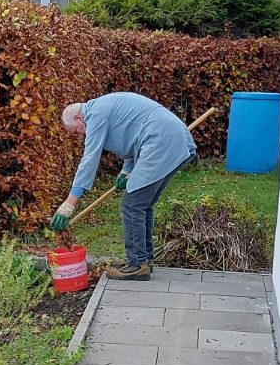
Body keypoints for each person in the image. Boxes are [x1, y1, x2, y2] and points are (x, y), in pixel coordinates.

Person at [51, 93, 196, 281]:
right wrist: (126, 171)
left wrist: (69, 203)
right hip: (171, 139)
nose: (80, 135)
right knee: (142, 205)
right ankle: (144, 259)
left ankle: (136, 264)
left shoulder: (95, 114)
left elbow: (90, 159)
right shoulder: (105, 108)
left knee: (131, 205)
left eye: (76, 131)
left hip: (160, 141)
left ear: (78, 118)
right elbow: (132, 140)